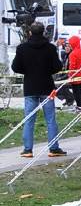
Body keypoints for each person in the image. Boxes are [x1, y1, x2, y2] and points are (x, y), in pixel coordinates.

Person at [12, 22, 66, 159]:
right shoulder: (50, 48)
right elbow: (57, 66)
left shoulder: (22, 48)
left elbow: (15, 67)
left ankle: (27, 149)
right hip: (47, 86)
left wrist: (28, 71)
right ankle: (54, 148)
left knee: (29, 119)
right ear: (43, 33)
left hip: (30, 86)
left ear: (30, 32)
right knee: (50, 119)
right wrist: (47, 70)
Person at [64, 36, 81, 112]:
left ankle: (78, 106)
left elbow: (72, 67)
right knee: (80, 91)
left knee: (76, 92)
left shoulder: (72, 54)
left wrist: (70, 76)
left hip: (75, 78)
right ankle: (80, 105)